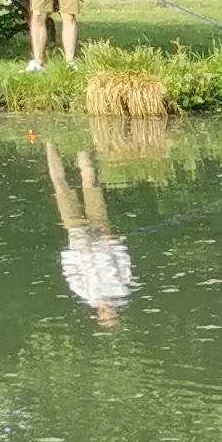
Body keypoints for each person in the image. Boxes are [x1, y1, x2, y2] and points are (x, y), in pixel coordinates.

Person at [43, 139, 134, 326]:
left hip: (79, 238)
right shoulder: (122, 288)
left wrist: (79, 251)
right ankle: (80, 142)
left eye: (105, 315)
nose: (108, 311)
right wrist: (111, 241)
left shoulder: (84, 292)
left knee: (60, 187)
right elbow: (123, 260)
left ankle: (49, 144)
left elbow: (70, 269)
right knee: (90, 183)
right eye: (112, 314)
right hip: (101, 233)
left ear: (99, 314)